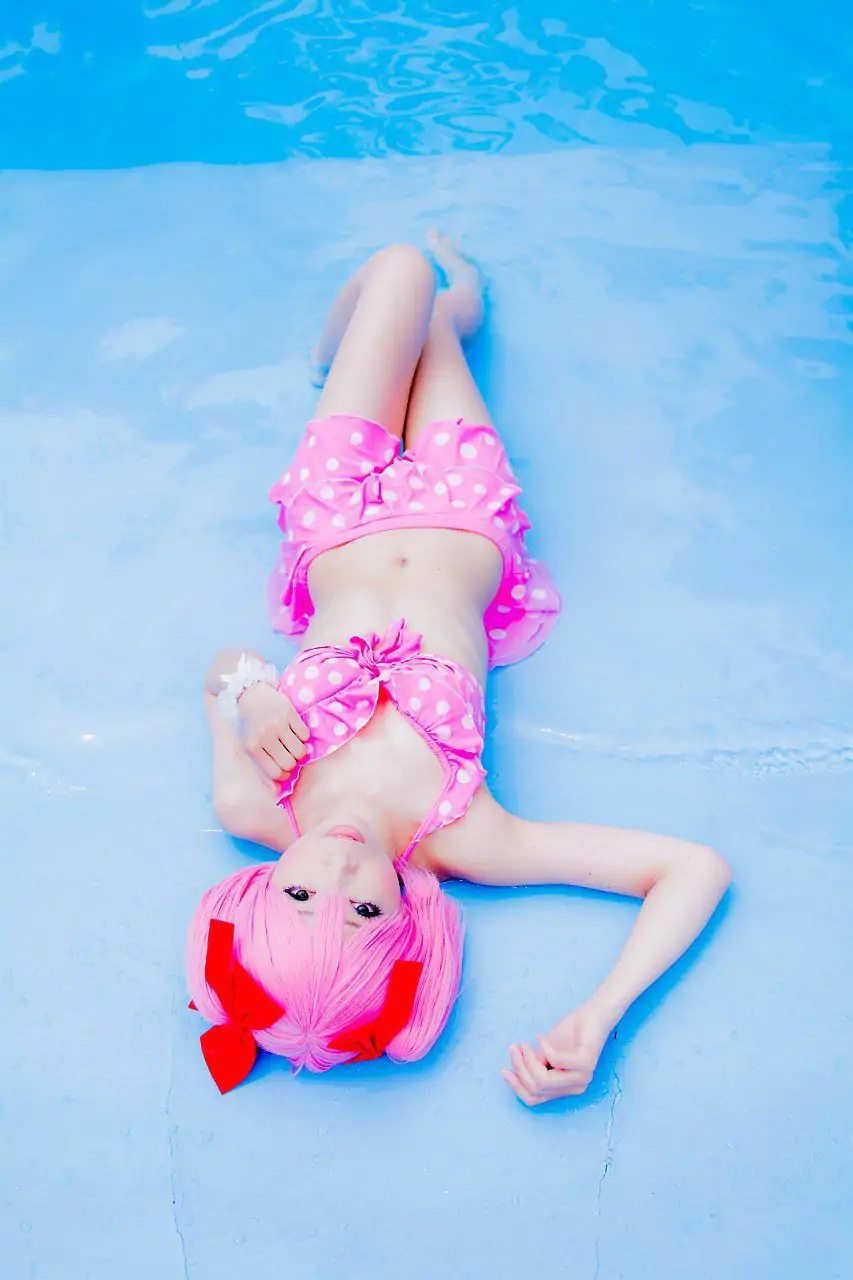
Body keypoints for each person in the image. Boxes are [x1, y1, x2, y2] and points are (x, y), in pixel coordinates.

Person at [188, 232, 731, 1104]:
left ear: (257, 896)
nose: (336, 873)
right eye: (364, 911)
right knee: (436, 313)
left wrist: (251, 692)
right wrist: (599, 1015)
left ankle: (341, 352)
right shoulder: (466, 838)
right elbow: (694, 868)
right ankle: (448, 310)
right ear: (407, 926)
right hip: (462, 506)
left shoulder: (253, 802)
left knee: (401, 265)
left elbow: (222, 671)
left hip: (338, 503)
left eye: (297, 898)